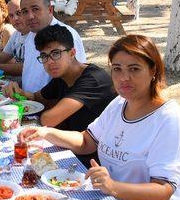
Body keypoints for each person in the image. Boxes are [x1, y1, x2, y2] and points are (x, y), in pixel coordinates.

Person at [18, 34, 180, 200]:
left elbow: (163, 191)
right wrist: (46, 133)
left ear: (153, 71)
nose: (124, 78)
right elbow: (87, 142)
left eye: (134, 69)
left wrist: (113, 186)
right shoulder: (119, 104)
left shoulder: (170, 120)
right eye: (117, 69)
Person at [11, 25, 116, 165]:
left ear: (72, 53)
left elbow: (49, 120)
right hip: (68, 145)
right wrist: (19, 92)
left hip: (95, 159)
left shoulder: (93, 80)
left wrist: (46, 111)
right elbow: (36, 97)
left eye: (56, 53)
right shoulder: (62, 75)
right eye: (44, 56)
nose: (50, 62)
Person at [3, 0, 85, 95]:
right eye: (24, 12)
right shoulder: (31, 35)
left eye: (35, 9)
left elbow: (78, 83)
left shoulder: (67, 35)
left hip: (56, 106)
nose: (30, 16)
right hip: (28, 103)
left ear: (50, 10)